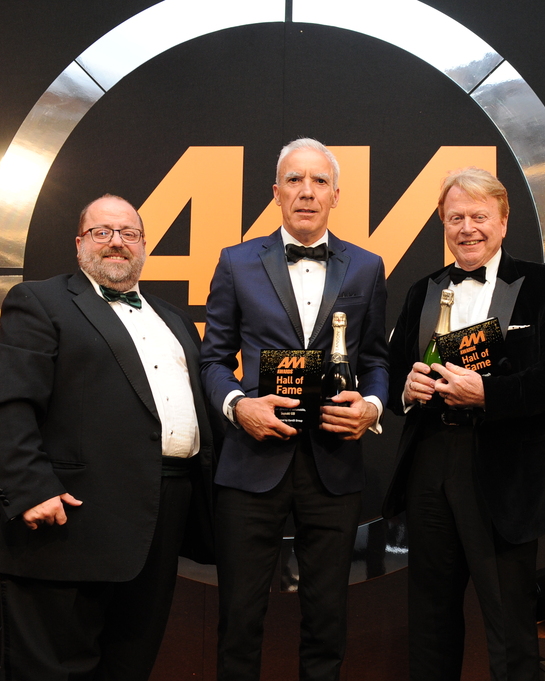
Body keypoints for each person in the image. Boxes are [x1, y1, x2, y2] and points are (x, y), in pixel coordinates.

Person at [0, 194, 214, 681]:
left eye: (129, 233)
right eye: (101, 232)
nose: (116, 242)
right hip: (70, 521)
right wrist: (30, 488)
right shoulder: (39, 301)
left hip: (161, 519)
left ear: (144, 245)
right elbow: (11, 404)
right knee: (52, 671)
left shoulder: (174, 320)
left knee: (129, 666)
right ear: (79, 243)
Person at [382, 167, 545, 681]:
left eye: (478, 216)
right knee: (429, 617)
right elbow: (389, 374)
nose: (467, 228)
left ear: (503, 221)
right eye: (455, 218)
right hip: (430, 464)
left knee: (509, 620)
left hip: (505, 469)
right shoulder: (422, 290)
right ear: (443, 224)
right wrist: (405, 390)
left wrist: (488, 394)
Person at [200, 138, 389, 681]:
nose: (307, 191)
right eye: (294, 180)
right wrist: (239, 407)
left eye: (319, 181)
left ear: (336, 194)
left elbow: (376, 360)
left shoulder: (366, 267)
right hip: (251, 461)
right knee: (239, 620)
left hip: (334, 463)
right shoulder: (236, 262)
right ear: (276, 192)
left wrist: (372, 406)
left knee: (327, 622)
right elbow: (213, 361)